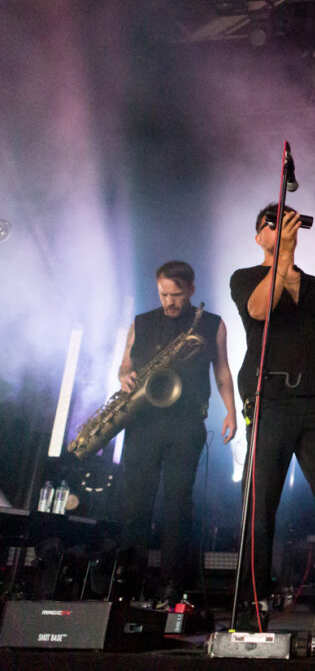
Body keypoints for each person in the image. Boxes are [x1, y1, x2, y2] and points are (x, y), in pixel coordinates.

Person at [229, 205, 315, 637]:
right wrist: (284, 255)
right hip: (270, 396)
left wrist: (304, 351)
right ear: (259, 236)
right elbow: (259, 310)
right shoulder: (245, 277)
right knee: (261, 501)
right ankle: (253, 604)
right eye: (272, 223)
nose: (282, 228)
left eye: (287, 222)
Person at [118, 260, 236, 607]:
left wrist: (231, 411)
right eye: (163, 294)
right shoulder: (141, 322)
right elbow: (125, 363)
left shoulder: (212, 323)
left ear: (191, 290)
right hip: (143, 421)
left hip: (186, 423)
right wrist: (123, 375)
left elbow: (223, 370)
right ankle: (129, 584)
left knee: (177, 505)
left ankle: (171, 586)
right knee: (135, 504)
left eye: (177, 295)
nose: (169, 301)